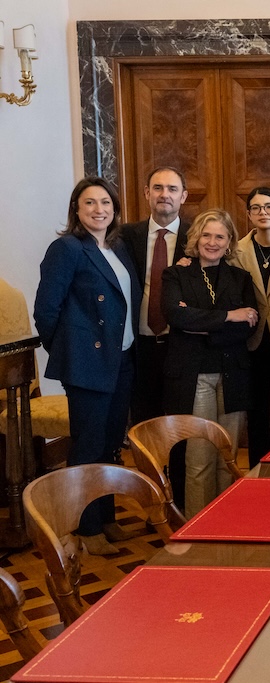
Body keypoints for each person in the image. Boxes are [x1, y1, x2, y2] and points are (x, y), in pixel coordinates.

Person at [34, 177, 141, 556]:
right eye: (90, 203)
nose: (99, 209)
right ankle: (85, 527)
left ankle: (107, 519)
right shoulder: (67, 248)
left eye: (105, 203)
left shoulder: (118, 247)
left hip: (122, 359)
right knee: (89, 445)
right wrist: (72, 353)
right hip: (88, 364)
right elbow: (46, 311)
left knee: (111, 445)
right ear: (76, 210)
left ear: (115, 208)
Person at [162, 209, 257, 518]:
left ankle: (224, 522)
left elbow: (249, 326)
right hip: (195, 375)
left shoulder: (241, 278)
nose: (212, 242)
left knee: (227, 456)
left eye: (220, 236)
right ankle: (197, 526)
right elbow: (176, 316)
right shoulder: (176, 274)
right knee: (200, 457)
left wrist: (200, 325)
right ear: (196, 238)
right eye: (206, 235)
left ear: (229, 242)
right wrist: (229, 316)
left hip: (233, 374)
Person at [121, 167, 189, 503]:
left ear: (183, 196)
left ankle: (179, 501)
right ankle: (151, 502)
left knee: (178, 428)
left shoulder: (198, 235)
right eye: (158, 188)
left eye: (172, 189)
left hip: (182, 346)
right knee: (144, 428)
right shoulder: (124, 236)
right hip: (140, 346)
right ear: (147, 193)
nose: (165, 194)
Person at [229, 186, 270, 467]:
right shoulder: (235, 251)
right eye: (256, 208)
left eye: (269, 207)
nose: (263, 212)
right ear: (249, 214)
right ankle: (258, 471)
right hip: (251, 340)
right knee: (256, 412)